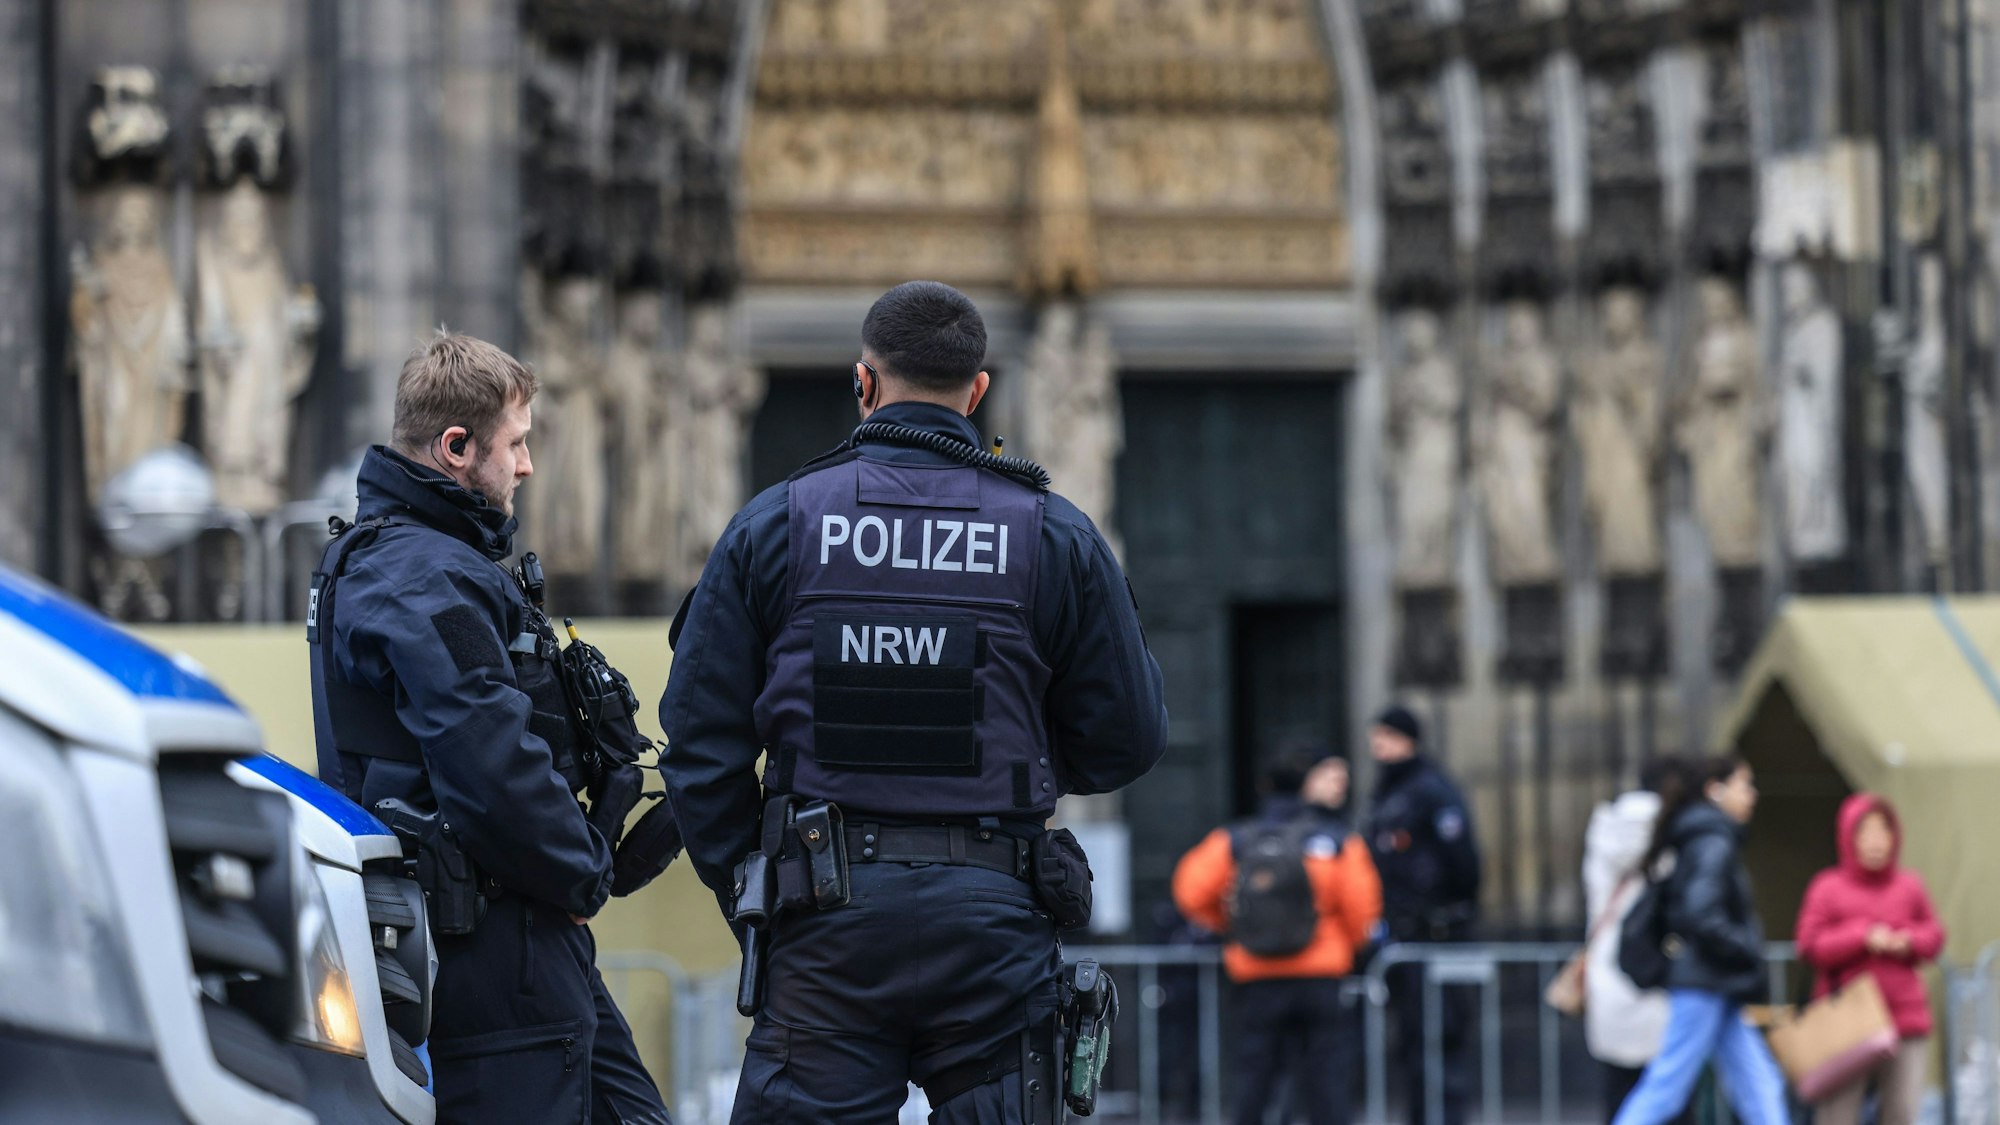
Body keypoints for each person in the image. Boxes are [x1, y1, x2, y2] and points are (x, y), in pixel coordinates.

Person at [659, 280, 1169, 1123]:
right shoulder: (1054, 532)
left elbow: (699, 744)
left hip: (824, 922)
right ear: (978, 391)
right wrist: (1016, 756)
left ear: (863, 383)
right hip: (994, 925)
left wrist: (757, 882)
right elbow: (1130, 736)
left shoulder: (778, 523)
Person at [308, 332, 670, 1124]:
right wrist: (582, 873)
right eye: (517, 443)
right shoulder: (422, 575)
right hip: (495, 961)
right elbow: (488, 756)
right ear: (456, 447)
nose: (528, 465)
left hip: (515, 939)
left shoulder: (413, 561)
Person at [1172, 748, 1382, 1125]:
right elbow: (1363, 910)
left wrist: (1231, 927)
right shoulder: (1336, 841)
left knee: (1254, 1081)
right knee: (1327, 1083)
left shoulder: (1235, 839)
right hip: (1321, 978)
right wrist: (1343, 946)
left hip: (1256, 975)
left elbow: (1190, 891)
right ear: (1306, 786)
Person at [1612, 757, 1786, 1125]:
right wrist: (1745, 947)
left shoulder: (1702, 838)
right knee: (1667, 1088)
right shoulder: (1712, 842)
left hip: (1716, 982)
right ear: (1715, 790)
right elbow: (1700, 913)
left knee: (1759, 1084)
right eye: (1744, 785)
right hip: (1706, 980)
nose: (1751, 796)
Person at [1795, 794, 1945, 1125]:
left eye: (1883, 831)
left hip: (1904, 1017)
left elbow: (1934, 935)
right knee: (1838, 1115)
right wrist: (1862, 936)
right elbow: (1809, 945)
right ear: (1848, 837)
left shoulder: (1910, 886)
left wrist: (1907, 940)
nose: (1876, 842)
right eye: (1865, 832)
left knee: (1902, 1111)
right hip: (1846, 1020)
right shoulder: (1827, 887)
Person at [1367, 704, 1480, 1125]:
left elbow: (1464, 866)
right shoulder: (1391, 792)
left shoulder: (1430, 791)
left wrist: (1442, 911)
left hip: (1436, 936)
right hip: (1405, 937)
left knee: (1441, 1042)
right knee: (1415, 1044)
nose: (1376, 746)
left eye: (1385, 737)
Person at [1582, 759, 1692, 1125]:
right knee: (1670, 1095)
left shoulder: (1603, 833)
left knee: (1620, 1092)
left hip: (1608, 972)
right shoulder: (1672, 841)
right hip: (1657, 975)